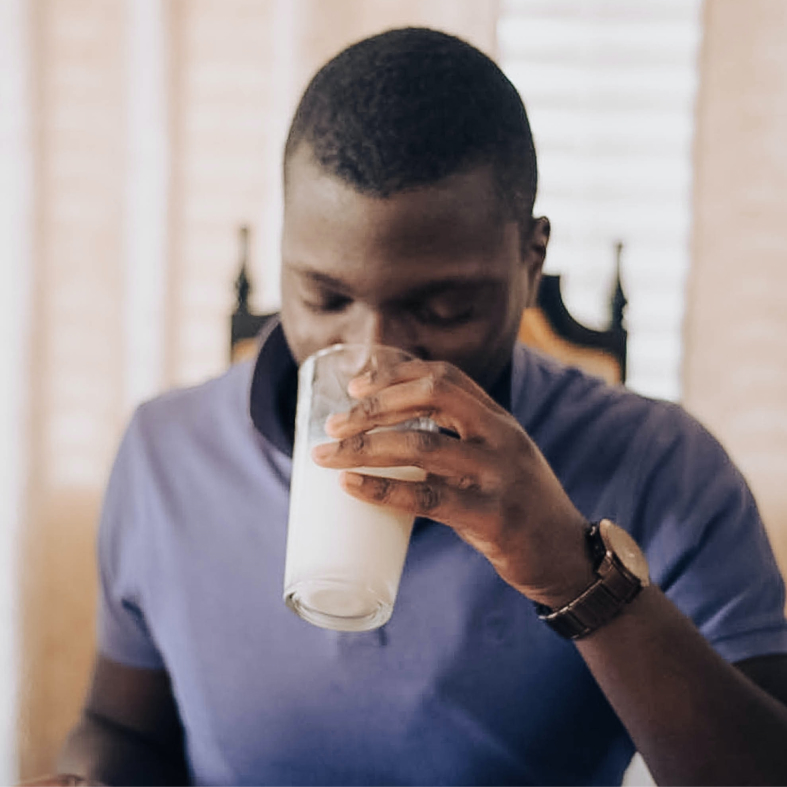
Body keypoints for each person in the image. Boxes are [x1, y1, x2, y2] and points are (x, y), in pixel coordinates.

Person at [58, 27, 787, 786]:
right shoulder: (164, 451)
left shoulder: (662, 465)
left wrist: (573, 575)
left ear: (529, 261)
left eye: (441, 306)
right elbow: (118, 726)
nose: (373, 356)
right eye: (324, 296)